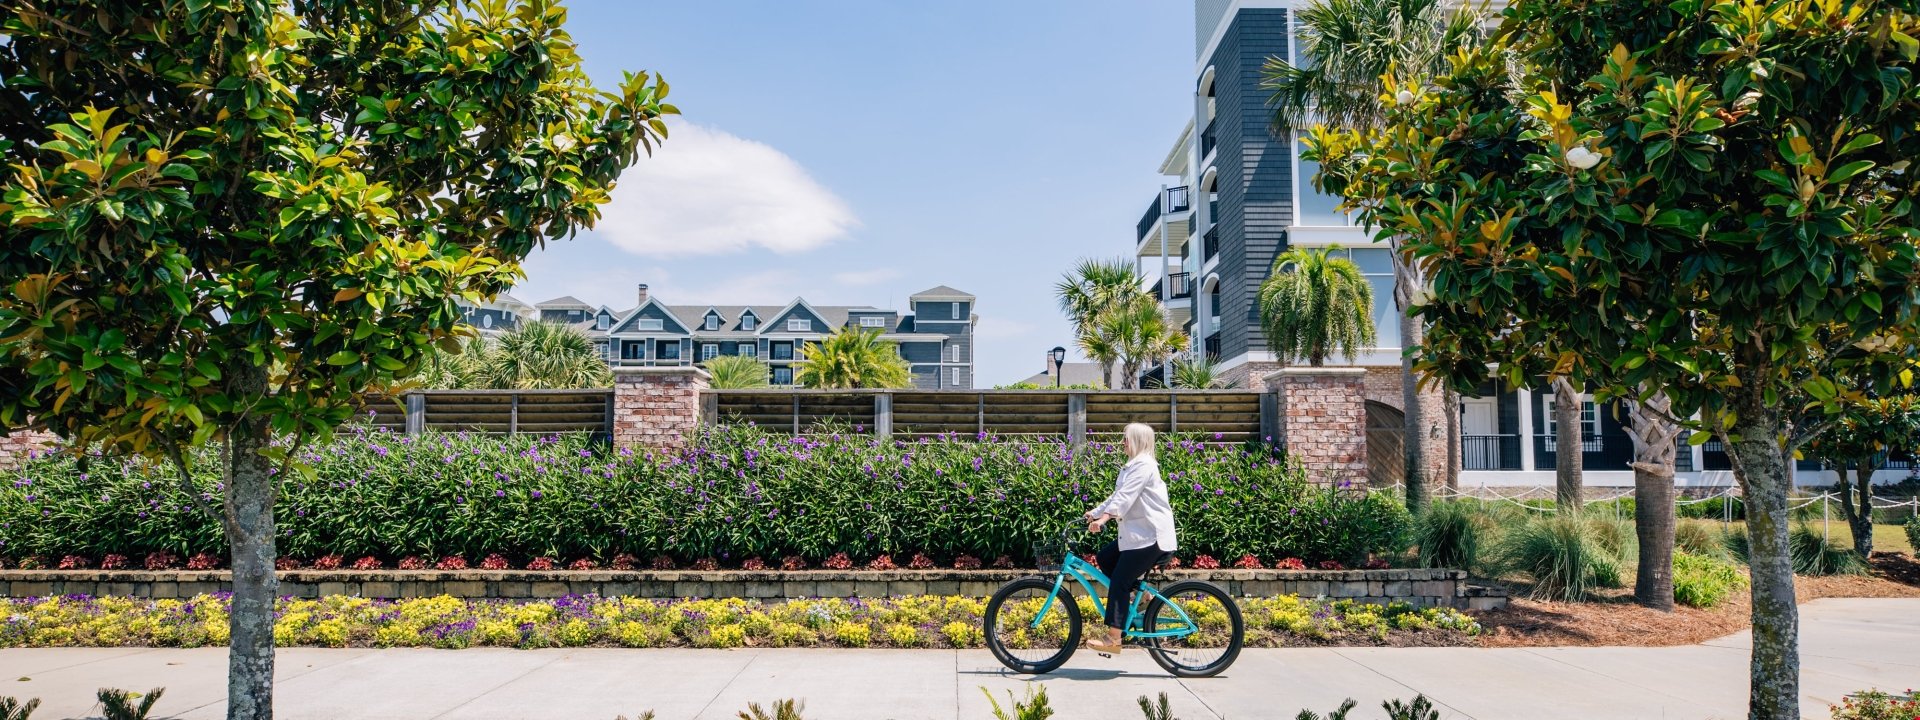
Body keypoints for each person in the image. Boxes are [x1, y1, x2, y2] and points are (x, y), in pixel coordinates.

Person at [1083, 421, 1177, 655]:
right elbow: (1117, 496)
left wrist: (1104, 519)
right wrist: (1095, 512)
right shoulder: (1133, 466)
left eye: (1126, 438)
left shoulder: (1144, 465)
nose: (1122, 443)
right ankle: (1141, 596)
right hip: (1138, 536)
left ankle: (1114, 638)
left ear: (1137, 441)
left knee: (1120, 580)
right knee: (1105, 559)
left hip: (1151, 537)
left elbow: (1125, 497)